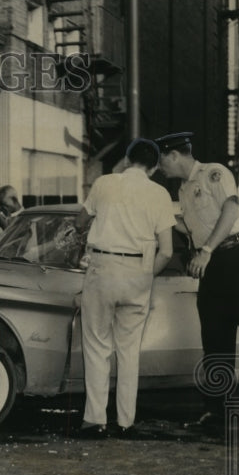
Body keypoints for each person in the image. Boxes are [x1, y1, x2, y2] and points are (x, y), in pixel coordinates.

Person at [155, 131, 239, 430]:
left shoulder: (213, 173)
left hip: (237, 259)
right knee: (215, 339)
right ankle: (217, 411)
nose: (159, 167)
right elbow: (191, 226)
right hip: (211, 266)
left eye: (161, 160)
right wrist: (159, 220)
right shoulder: (182, 189)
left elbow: (231, 210)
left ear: (174, 155)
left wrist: (205, 250)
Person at [74, 138, 175, 435]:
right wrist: (145, 277)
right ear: (154, 167)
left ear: (128, 159)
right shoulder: (159, 193)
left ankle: (95, 420)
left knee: (96, 346)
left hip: (103, 269)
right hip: (138, 273)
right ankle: (125, 422)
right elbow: (167, 251)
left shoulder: (104, 183)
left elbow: (80, 223)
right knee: (129, 351)